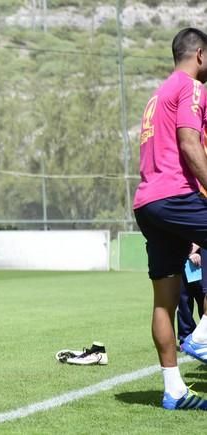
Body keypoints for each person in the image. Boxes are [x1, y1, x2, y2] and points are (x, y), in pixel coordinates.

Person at [133, 27, 207, 411]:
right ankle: (201, 335)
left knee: (164, 301)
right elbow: (188, 142)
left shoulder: (156, 95)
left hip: (147, 202)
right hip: (175, 193)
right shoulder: (191, 87)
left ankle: (174, 390)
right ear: (199, 55)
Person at [177, 244, 206, 346]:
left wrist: (194, 249)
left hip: (202, 256)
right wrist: (188, 253)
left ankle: (204, 336)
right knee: (183, 301)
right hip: (182, 258)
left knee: (204, 299)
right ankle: (185, 338)